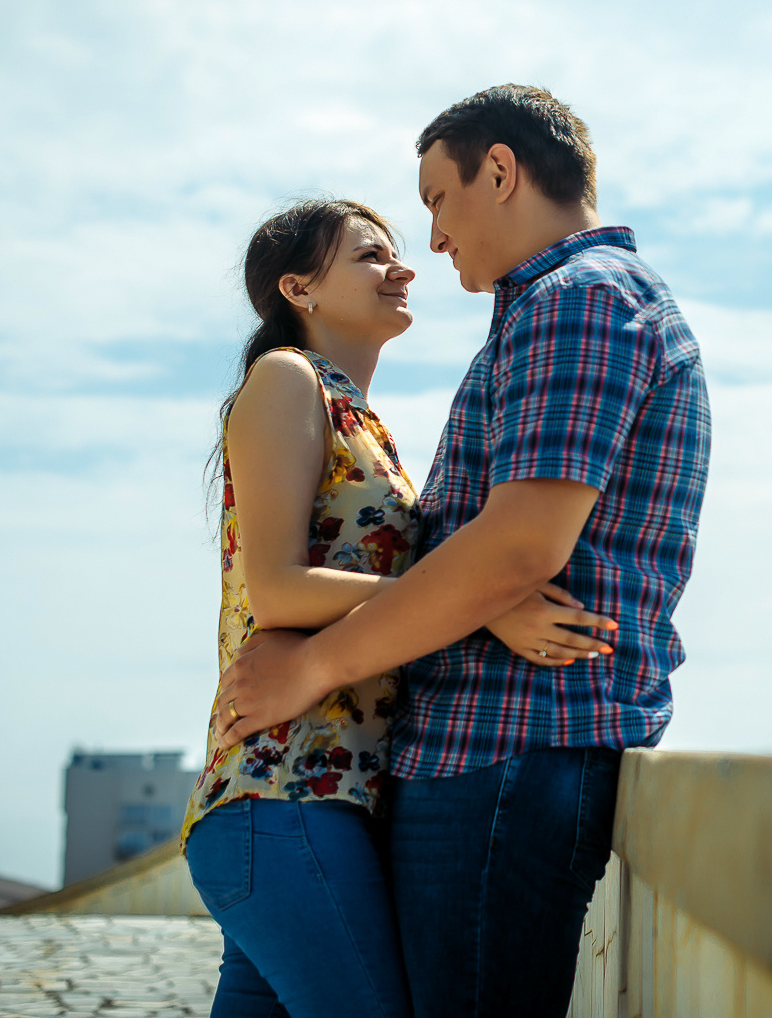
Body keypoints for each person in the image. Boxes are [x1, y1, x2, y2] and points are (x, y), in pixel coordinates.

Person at [211, 86, 713, 1018]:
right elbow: (472, 559)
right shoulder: (546, 310)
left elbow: (515, 548)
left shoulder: (579, 300)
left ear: (501, 171)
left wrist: (318, 661)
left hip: (506, 744)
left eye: (437, 200)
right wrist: (489, 599)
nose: (431, 241)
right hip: (412, 764)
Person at [182, 197, 617, 1018]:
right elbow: (276, 587)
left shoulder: (360, 418)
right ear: (298, 289)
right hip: (283, 792)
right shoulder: (286, 378)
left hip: (326, 803)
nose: (402, 266)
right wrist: (479, 607)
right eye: (369, 255)